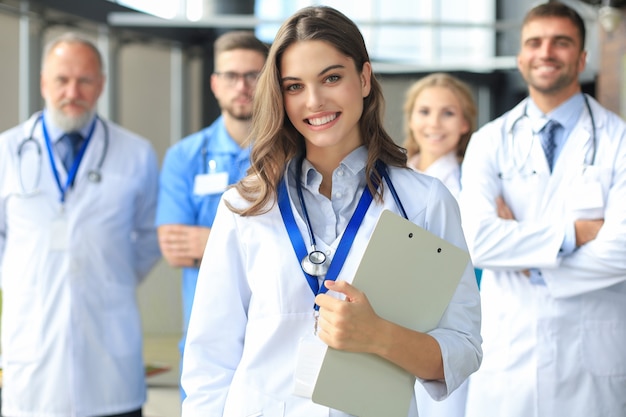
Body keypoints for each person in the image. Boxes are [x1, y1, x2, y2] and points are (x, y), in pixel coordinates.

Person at [181, 6, 481, 417]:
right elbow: (209, 357)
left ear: (364, 78)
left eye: (332, 78)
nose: (315, 101)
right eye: (294, 86)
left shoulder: (425, 202)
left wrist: (379, 336)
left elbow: (463, 347)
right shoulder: (244, 206)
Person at [459, 2, 626, 417]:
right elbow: (478, 243)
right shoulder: (489, 140)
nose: (546, 52)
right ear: (520, 57)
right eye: (535, 42)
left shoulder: (618, 139)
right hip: (508, 353)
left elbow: (621, 249)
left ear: (582, 58)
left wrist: (526, 261)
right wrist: (573, 235)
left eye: (561, 42)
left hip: (590, 359)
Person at [0, 32, 161, 417]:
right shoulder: (6, 150)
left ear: (101, 84)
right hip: (31, 348)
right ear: (43, 82)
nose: (73, 91)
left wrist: (107, 273)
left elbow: (149, 237)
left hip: (109, 357)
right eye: (62, 79)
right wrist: (26, 277)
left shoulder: (136, 153)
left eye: (85, 80)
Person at [155, 30, 268, 398]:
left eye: (254, 75)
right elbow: (175, 248)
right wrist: (258, 244)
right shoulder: (185, 157)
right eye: (231, 76)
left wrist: (209, 241)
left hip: (276, 337)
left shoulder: (292, 154)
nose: (243, 86)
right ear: (215, 84)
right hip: (207, 337)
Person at [403, 73, 477, 417]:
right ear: (411, 118)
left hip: (447, 319)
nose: (434, 123)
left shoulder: (472, 183)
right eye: (425, 111)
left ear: (465, 123)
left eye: (447, 113)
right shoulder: (390, 176)